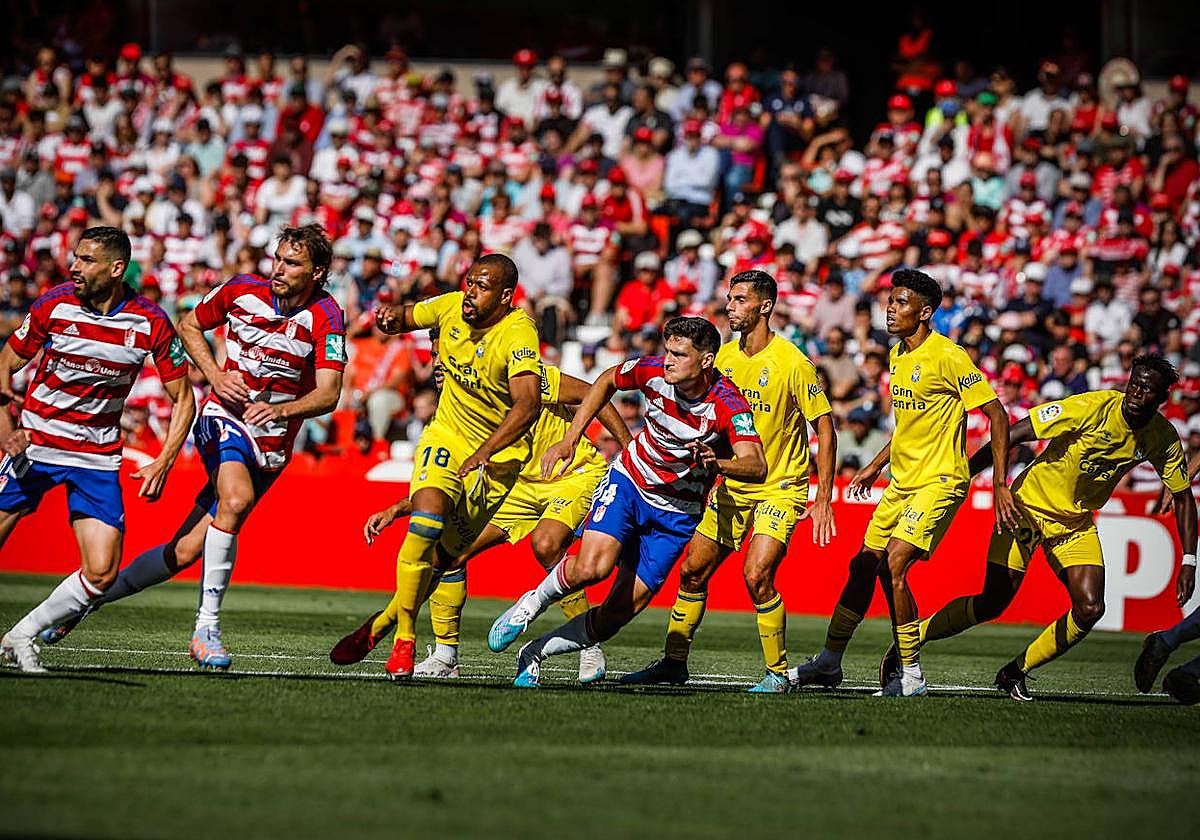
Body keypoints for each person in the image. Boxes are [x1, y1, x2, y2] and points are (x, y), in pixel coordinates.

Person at [36, 225, 345, 671]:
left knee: (183, 551)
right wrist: (216, 377)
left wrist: (283, 411)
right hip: (223, 417)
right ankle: (207, 628)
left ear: (316, 273)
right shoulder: (241, 290)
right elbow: (189, 324)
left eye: (291, 263)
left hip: (272, 442)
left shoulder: (328, 316)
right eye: (277, 258)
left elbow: (330, 393)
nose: (278, 268)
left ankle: (86, 603)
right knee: (235, 499)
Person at [487, 316, 767, 687]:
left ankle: (535, 650)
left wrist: (720, 463)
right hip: (631, 483)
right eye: (668, 351)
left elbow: (756, 465)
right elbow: (605, 380)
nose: (667, 360)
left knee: (616, 615)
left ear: (706, 361)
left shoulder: (729, 404)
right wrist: (572, 437)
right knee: (592, 568)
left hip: (677, 516)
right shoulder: (652, 371)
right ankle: (530, 605)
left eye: (679, 355)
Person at [908, 356, 1196, 701]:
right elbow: (1015, 433)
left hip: (1073, 523)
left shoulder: (1162, 437)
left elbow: (1183, 497)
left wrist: (1189, 560)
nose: (1136, 392)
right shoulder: (1091, 407)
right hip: (1026, 508)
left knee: (1090, 609)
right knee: (993, 603)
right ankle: (911, 638)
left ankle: (1016, 671)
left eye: (1147, 389)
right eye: (1133, 383)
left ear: (1162, 397)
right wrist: (966, 475)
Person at [792, 268, 1015, 697]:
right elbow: (909, 426)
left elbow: (1000, 417)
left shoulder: (949, 357)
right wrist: (877, 464)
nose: (890, 309)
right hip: (900, 483)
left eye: (900, 303)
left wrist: (1000, 481)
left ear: (925, 312)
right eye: (889, 301)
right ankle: (830, 661)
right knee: (862, 566)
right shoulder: (897, 355)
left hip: (941, 480)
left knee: (893, 565)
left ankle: (911, 676)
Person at [356, 348, 633, 682]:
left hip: (572, 474)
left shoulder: (529, 379)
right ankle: (446, 657)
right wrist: (398, 508)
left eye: (447, 360)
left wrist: (629, 450)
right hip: (518, 487)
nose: (440, 368)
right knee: (452, 553)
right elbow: (449, 481)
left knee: (545, 543)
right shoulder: (459, 413)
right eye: (436, 360)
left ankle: (589, 645)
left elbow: (595, 393)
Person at [621, 271, 836, 692]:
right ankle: (673, 664)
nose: (731, 307)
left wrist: (824, 497)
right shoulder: (721, 360)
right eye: (729, 299)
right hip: (732, 486)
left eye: (739, 300)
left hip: (780, 486)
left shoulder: (792, 362)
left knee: (757, 576)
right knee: (692, 573)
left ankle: (778, 674)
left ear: (765, 306)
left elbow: (825, 428)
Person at [329, 254, 542, 679]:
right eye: (469, 282)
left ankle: (382, 624)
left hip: (497, 462)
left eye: (482, 287)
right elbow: (407, 316)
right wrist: (390, 319)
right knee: (424, 525)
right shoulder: (450, 306)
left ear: (505, 296)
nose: (470, 292)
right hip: (445, 437)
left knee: (444, 560)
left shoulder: (519, 335)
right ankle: (406, 638)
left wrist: (486, 451)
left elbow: (529, 404)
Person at [0, 227, 196, 672]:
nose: (74, 267)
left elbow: (184, 398)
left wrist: (164, 459)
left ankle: (22, 634)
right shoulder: (54, 304)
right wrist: (7, 431)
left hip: (96, 457)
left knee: (104, 572)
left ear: (115, 268)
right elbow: (5, 364)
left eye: (86, 260)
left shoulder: (150, 321)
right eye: (75, 258)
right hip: (36, 443)